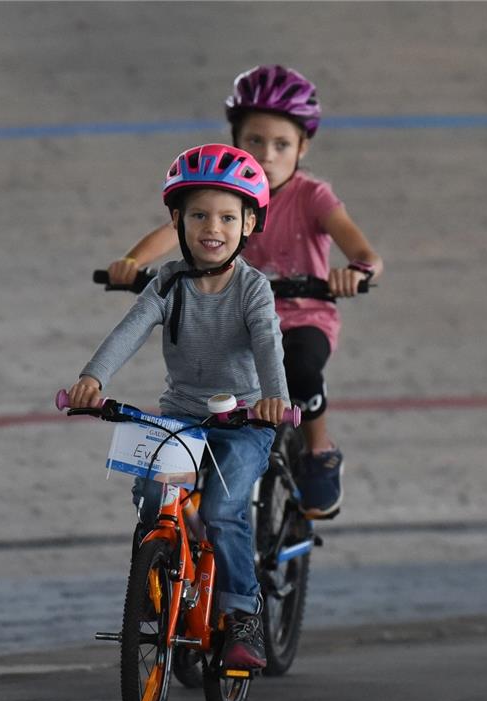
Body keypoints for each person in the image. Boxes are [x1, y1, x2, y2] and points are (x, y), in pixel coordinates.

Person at [104, 64, 382, 520]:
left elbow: (360, 247)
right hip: (233, 317)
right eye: (254, 142)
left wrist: (358, 269)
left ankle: (319, 451)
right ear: (235, 140)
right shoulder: (227, 193)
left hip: (300, 316)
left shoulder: (312, 196)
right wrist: (131, 262)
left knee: (303, 373)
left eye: (281, 145)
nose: (268, 156)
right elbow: (172, 230)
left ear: (302, 148)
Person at [68, 143, 288, 669]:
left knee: (222, 509)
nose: (212, 227)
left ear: (250, 223)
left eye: (228, 217)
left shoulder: (253, 290)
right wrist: (93, 376)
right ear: (177, 219)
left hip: (244, 422)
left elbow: (267, 343)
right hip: (182, 418)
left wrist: (275, 397)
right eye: (198, 215)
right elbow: (129, 331)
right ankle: (160, 582)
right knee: (151, 489)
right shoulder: (168, 282)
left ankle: (241, 615)